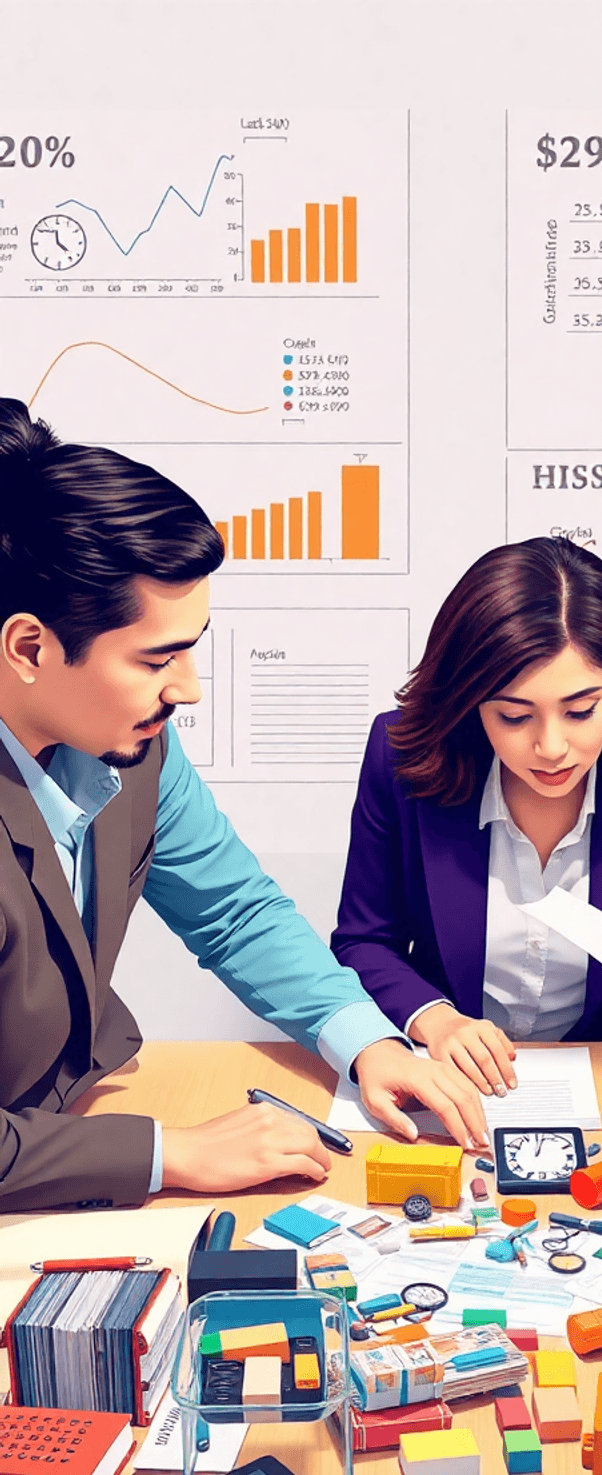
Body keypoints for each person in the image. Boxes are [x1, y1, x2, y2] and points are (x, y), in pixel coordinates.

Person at [0, 400, 487, 1213]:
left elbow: (231, 907)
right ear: (29, 648)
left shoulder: (130, 742)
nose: (187, 690)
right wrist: (173, 1152)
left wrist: (365, 1041)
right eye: (158, 658)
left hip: (65, 1116)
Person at [331, 536, 602, 1096]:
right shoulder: (402, 752)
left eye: (580, 711)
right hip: (446, 1079)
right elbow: (362, 942)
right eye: (513, 715)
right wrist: (436, 1019)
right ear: (471, 701)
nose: (551, 747)